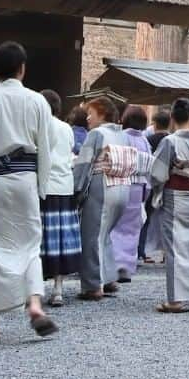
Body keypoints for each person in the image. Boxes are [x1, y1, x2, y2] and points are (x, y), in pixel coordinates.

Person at [0, 41, 57, 343]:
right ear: (22, 68)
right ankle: (34, 304)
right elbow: (48, 144)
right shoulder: (37, 101)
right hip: (26, 180)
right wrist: (41, 183)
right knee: (30, 243)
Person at [149, 97, 189, 313]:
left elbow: (157, 173)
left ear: (171, 117)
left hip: (175, 195)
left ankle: (175, 300)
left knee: (175, 247)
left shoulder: (170, 141)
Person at [71, 97, 131, 300]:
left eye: (91, 113)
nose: (87, 118)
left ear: (102, 113)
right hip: (122, 186)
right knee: (104, 235)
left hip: (101, 186)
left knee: (91, 235)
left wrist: (75, 189)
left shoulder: (97, 134)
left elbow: (84, 163)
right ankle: (108, 277)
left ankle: (93, 285)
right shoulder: (122, 135)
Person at [39, 89, 81, 307]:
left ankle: (34, 292)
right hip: (65, 186)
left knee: (41, 240)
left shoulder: (39, 126)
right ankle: (58, 289)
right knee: (62, 240)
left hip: (44, 187)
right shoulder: (66, 128)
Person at [112, 105, 152, 283]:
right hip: (140, 187)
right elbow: (150, 168)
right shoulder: (144, 141)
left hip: (122, 184)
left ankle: (115, 264)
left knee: (116, 226)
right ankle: (127, 266)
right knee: (133, 229)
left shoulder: (120, 137)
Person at [139, 108, 172, 264]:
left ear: (154, 123)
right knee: (168, 220)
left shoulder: (149, 140)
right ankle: (167, 252)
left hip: (151, 184)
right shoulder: (172, 140)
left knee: (146, 217)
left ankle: (142, 250)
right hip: (170, 184)